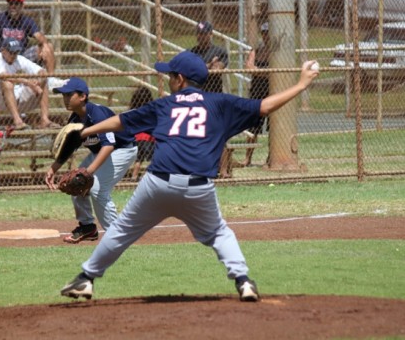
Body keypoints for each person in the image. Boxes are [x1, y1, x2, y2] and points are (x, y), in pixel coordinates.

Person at [59, 51, 319, 302]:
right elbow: (265, 106)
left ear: (180, 79)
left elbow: (121, 121)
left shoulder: (164, 105)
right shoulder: (220, 104)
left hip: (157, 183)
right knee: (219, 233)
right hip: (198, 187)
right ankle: (243, 281)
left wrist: (84, 132)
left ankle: (85, 279)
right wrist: (301, 84)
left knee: (122, 231)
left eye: (171, 75)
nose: (169, 80)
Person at [45, 77, 137, 244]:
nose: (65, 99)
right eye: (63, 96)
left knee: (97, 190)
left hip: (122, 149)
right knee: (75, 182)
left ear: (82, 96)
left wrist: (88, 172)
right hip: (102, 151)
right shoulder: (74, 120)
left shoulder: (97, 114)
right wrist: (53, 169)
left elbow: (109, 145)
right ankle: (87, 227)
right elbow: (69, 147)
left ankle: (117, 236)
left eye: (69, 95)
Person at [0, 37, 59, 129]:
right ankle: (18, 121)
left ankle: (45, 120)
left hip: (16, 98)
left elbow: (40, 71)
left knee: (44, 80)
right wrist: (28, 82)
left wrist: (37, 80)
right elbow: (5, 76)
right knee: (7, 83)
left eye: (16, 52)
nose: (14, 55)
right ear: (3, 51)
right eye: (11, 52)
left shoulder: (19, 59)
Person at [189, 21, 232, 178]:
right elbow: (192, 71)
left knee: (220, 134)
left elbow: (218, 68)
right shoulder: (192, 53)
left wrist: (206, 67)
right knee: (195, 135)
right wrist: (207, 65)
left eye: (205, 34)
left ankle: (224, 170)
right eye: (199, 34)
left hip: (214, 99)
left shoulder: (219, 51)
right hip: (196, 99)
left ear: (210, 34)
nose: (201, 37)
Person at [242, 22, 271, 167]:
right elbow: (249, 67)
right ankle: (248, 158)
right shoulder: (257, 50)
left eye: (269, 33)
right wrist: (265, 72)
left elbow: (276, 74)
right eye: (264, 32)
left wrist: (257, 71)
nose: (266, 36)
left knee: (275, 127)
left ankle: (271, 158)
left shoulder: (277, 52)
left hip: (272, 92)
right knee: (253, 126)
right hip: (257, 92)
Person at [128, 87, 154, 181]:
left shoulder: (134, 111)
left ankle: (134, 177)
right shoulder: (151, 110)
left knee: (138, 159)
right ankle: (146, 176)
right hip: (149, 138)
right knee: (152, 159)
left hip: (137, 138)